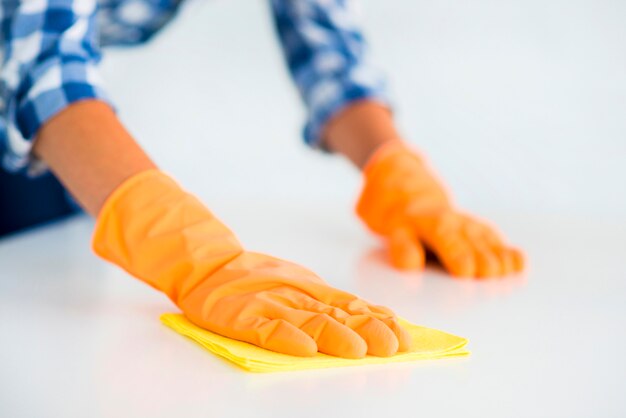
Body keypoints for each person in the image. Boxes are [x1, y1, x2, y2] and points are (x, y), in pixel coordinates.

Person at [0, 0, 523, 359]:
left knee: (48, 311)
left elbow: (330, 52)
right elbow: (40, 66)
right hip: (39, 109)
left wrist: (401, 175)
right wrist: (199, 259)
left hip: (40, 134)